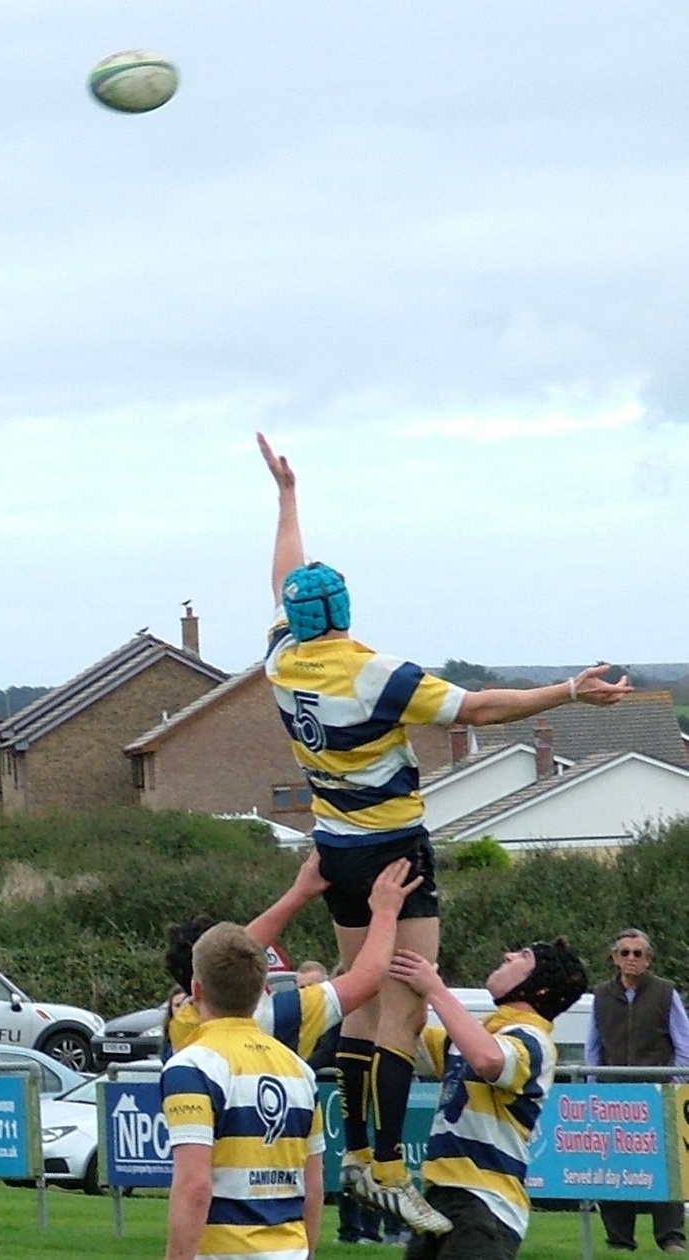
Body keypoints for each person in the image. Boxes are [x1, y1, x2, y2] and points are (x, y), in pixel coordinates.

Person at [255, 430, 630, 1233]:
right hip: (393, 848)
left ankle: (358, 1155)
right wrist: (568, 689)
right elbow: (480, 708)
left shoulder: (282, 661)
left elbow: (285, 579)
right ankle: (385, 1168)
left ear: (293, 615)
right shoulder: (372, 672)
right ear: (347, 610)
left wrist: (287, 498)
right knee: (403, 1013)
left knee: (358, 1010)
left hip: (336, 850)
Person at [388, 938, 589, 1260]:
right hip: (441, 1196)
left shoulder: (533, 1039)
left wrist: (435, 990)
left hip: (486, 1205)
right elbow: (404, 1038)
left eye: (523, 956)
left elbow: (488, 1060)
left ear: (537, 989)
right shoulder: (485, 1032)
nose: (507, 954)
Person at [161, 922, 324, 1260]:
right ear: (263, 988)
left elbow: (194, 1187)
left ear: (196, 989)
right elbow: (312, 1189)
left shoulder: (191, 1067)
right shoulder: (301, 1073)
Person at [164, 853, 420, 1064]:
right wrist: (385, 912)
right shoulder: (278, 1017)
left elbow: (226, 954)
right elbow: (366, 978)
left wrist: (300, 893)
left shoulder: (184, 1024)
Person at [587, 928, 689, 1254]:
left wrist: (675, 1085)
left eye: (638, 953)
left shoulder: (666, 992)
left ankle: (671, 1237)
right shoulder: (601, 995)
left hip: (657, 1096)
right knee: (612, 1167)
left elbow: (684, 1044)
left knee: (665, 1168)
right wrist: (594, 1089)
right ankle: (619, 1240)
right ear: (615, 957)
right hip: (612, 1098)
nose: (632, 958)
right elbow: (593, 1046)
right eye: (625, 952)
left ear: (649, 959)